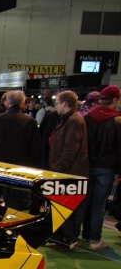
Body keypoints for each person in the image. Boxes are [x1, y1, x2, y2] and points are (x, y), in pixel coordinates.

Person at [45, 90, 90, 251]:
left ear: (65, 103)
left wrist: (57, 168)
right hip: (64, 170)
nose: (55, 106)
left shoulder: (73, 121)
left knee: (62, 207)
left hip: (68, 172)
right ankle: (59, 238)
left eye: (57, 103)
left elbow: (70, 149)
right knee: (58, 206)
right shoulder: (67, 120)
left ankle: (70, 238)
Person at [0, 90, 42, 211]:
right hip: (19, 169)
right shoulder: (30, 122)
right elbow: (36, 149)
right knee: (15, 207)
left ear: (8, 103)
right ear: (23, 103)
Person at [82, 85, 121, 250]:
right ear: (114, 100)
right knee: (99, 204)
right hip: (107, 168)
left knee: (85, 201)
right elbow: (120, 148)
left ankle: (83, 235)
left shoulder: (87, 117)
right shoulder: (117, 120)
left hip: (87, 165)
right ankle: (95, 239)